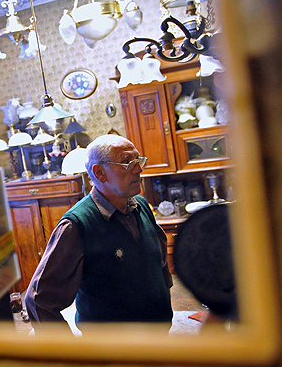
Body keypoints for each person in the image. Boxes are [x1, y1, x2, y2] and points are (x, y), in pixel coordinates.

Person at [24, 134, 173, 331]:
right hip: (111, 348)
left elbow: (159, 263)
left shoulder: (142, 206)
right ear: (100, 173)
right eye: (128, 163)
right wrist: (65, 348)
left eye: (138, 160)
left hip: (159, 339)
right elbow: (38, 301)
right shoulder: (76, 225)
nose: (139, 169)